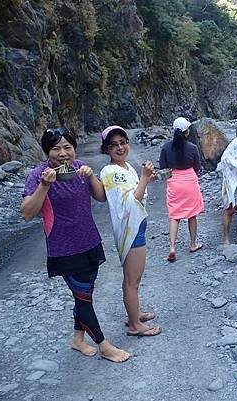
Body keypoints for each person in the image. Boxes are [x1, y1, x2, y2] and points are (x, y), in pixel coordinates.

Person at [20, 127, 130, 363]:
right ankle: (103, 344)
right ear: (47, 151)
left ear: (74, 148)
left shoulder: (80, 167)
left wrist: (91, 177)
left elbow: (101, 197)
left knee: (85, 294)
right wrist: (44, 186)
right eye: (56, 148)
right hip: (63, 247)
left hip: (89, 241)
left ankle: (78, 339)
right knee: (82, 296)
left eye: (67, 147)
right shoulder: (38, 175)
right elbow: (27, 213)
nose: (62, 153)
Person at [99, 125, 162, 337]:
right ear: (106, 149)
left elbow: (136, 193)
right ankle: (135, 325)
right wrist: (144, 178)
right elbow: (128, 203)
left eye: (123, 142)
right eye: (113, 145)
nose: (119, 147)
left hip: (137, 226)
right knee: (131, 281)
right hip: (130, 230)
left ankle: (134, 314)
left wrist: (146, 180)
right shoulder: (110, 172)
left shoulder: (126, 168)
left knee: (133, 279)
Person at [158, 117, 205, 262]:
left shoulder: (166, 147)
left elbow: (163, 167)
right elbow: (197, 166)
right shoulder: (192, 147)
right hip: (190, 181)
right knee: (192, 214)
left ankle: (172, 247)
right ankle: (193, 244)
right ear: (187, 131)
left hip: (174, 181)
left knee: (174, 215)